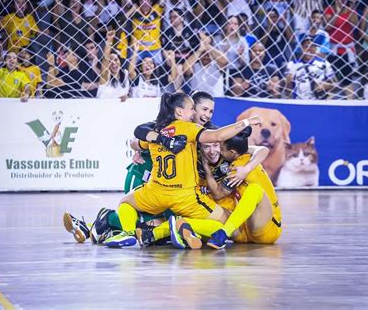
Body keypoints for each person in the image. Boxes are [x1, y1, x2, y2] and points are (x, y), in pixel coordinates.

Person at [102, 92, 262, 247]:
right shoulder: (190, 129)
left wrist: (150, 143)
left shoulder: (158, 129)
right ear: (180, 111)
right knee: (227, 225)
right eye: (197, 109)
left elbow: (137, 141)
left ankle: (128, 232)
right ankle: (110, 224)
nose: (201, 113)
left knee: (125, 203)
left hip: (156, 191)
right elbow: (218, 136)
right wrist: (246, 122)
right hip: (179, 193)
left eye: (211, 111)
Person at [168, 127, 282, 250]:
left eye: (221, 148)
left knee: (255, 189)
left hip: (267, 229)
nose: (219, 152)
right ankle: (184, 225)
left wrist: (207, 169)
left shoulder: (236, 168)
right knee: (223, 221)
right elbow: (262, 149)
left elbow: (217, 193)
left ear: (232, 152)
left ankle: (222, 233)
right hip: (244, 229)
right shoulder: (245, 155)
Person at [324, 0, 358, 99]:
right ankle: (328, 101)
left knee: (347, 78)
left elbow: (355, 25)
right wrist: (338, 12)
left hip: (347, 50)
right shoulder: (329, 10)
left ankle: (350, 102)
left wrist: (351, 7)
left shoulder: (350, 11)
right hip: (333, 50)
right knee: (332, 78)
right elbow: (328, 26)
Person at [183, 32, 228, 97]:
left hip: (217, 100)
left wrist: (207, 45)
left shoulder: (217, 65)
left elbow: (225, 61)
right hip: (197, 101)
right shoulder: (194, 66)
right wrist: (200, 50)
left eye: (208, 54)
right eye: (203, 54)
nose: (206, 57)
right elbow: (186, 68)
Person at [97, 31, 129, 101]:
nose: (113, 63)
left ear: (120, 62)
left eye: (116, 60)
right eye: (110, 61)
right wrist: (109, 40)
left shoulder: (125, 74)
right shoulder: (106, 75)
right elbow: (105, 59)